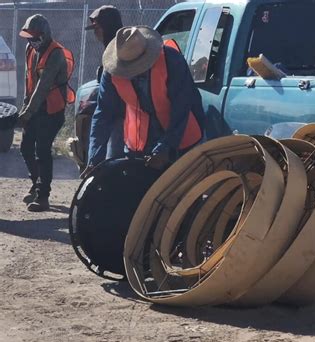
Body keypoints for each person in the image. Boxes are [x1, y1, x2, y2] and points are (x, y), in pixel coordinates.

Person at [84, 26, 206, 176]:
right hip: (140, 142)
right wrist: (94, 159)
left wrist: (165, 148)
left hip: (181, 137)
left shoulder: (172, 61)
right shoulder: (111, 73)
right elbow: (103, 114)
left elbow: (181, 107)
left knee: (183, 193)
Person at [18, 14, 75, 212]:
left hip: (52, 110)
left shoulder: (56, 54)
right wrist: (25, 109)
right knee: (25, 147)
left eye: (34, 37)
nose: (31, 41)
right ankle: (36, 184)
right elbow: (29, 82)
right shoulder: (30, 50)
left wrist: (27, 113)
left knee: (42, 150)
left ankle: (43, 196)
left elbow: (43, 87)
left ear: (44, 35)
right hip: (35, 108)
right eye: (28, 37)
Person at [85, 5, 124, 161]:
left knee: (115, 164)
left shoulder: (121, 51)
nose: (95, 33)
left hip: (125, 121)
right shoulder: (110, 48)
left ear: (108, 27)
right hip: (121, 120)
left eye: (97, 28)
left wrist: (95, 159)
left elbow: (105, 110)